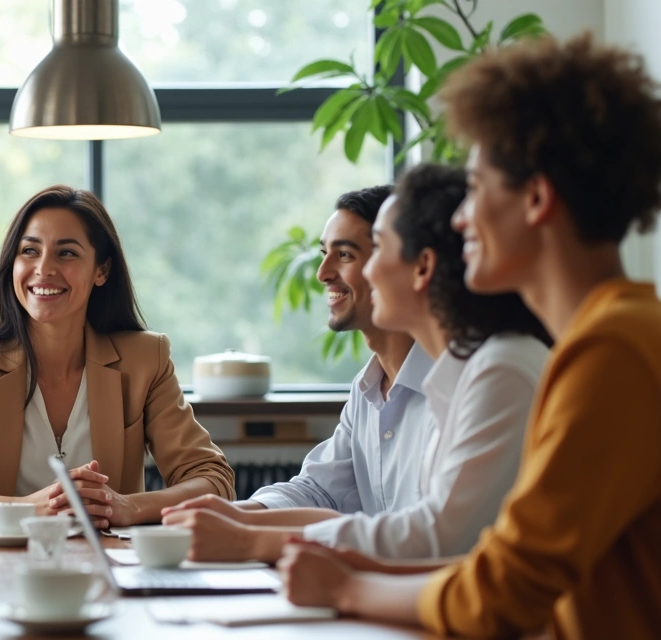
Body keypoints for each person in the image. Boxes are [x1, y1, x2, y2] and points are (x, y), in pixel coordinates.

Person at [279, 33, 661, 638]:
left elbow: (504, 589)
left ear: (536, 199)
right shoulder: (610, 336)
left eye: (477, 188)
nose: (460, 218)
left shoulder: (610, 351)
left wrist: (347, 588)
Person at [0, 185, 234, 527]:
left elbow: (213, 478)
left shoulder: (144, 360)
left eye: (66, 253)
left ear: (101, 270)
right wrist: (23, 509)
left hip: (109, 557)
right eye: (29, 251)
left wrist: (129, 507)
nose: (44, 268)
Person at [163, 185, 435, 558]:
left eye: (345, 254)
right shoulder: (367, 390)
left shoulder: (454, 386)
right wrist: (232, 513)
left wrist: (246, 536)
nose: (322, 273)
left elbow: (429, 535)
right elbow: (319, 491)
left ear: (410, 266)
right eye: (324, 254)